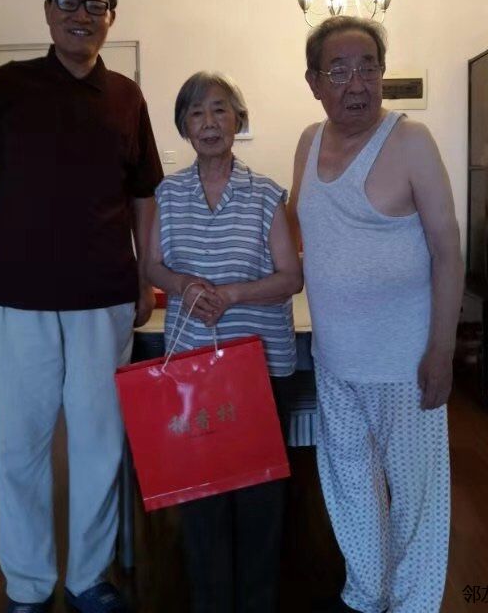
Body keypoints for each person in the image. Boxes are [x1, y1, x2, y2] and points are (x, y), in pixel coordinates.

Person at [0, 0, 163, 613]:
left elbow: (144, 197)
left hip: (104, 297)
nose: (82, 15)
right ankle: (27, 584)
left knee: (100, 444)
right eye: (69, 2)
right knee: (19, 446)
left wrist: (145, 276)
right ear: (48, 11)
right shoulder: (5, 85)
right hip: (17, 296)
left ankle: (88, 577)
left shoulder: (127, 96)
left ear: (111, 18)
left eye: (96, 6)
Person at [289, 16, 464, 613]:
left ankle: (414, 604)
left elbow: (447, 250)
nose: (357, 82)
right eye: (339, 70)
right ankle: (367, 594)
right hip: (336, 360)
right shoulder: (308, 142)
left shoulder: (411, 141)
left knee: (416, 500)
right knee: (350, 488)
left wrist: (442, 350)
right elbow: (294, 226)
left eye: (369, 67)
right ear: (314, 81)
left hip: (404, 365)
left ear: (383, 73)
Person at [146, 71, 303, 613]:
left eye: (219, 109)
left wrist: (232, 294)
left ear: (238, 119)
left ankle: (257, 602)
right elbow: (152, 265)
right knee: (201, 500)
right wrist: (183, 285)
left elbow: (290, 277)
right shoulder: (168, 194)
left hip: (260, 368)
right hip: (193, 370)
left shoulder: (266, 195)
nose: (209, 122)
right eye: (196, 112)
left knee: (260, 499)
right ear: (184, 126)